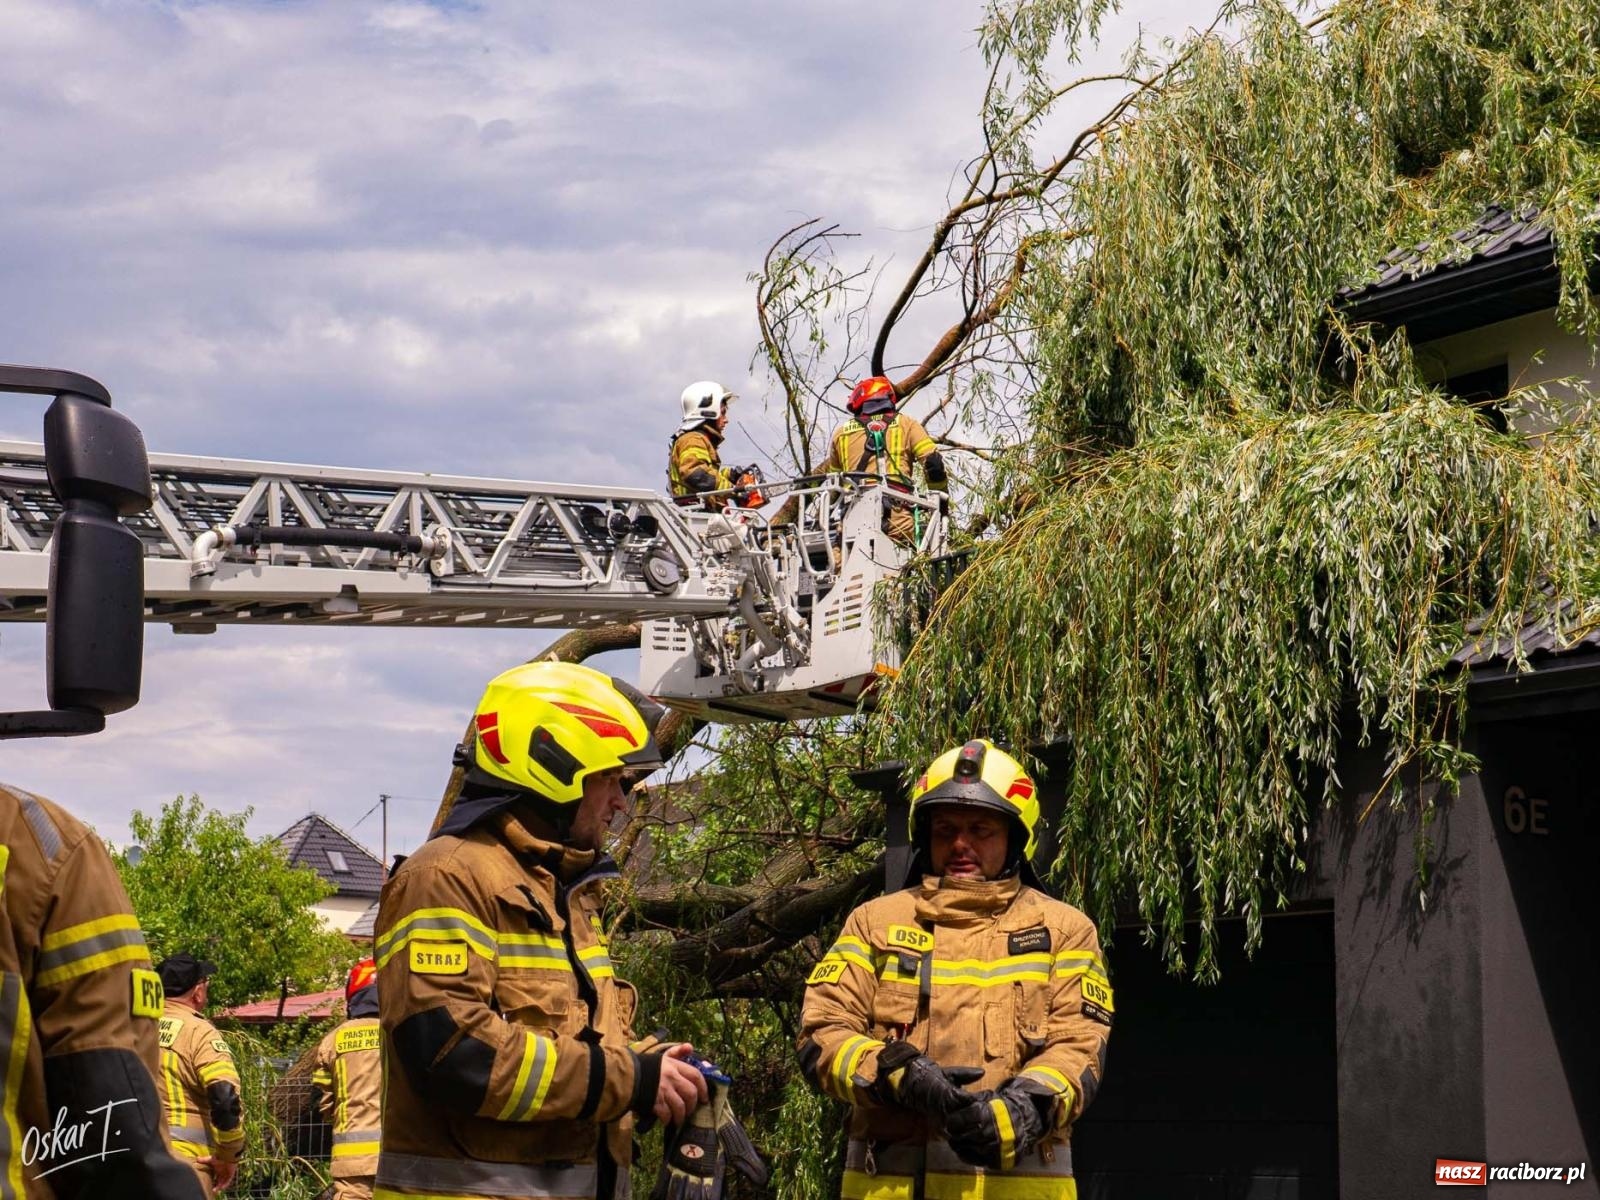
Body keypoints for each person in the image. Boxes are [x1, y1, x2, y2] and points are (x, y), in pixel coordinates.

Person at [373, 661, 708, 1200]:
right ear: (553, 768)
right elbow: (454, 1054)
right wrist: (629, 1079)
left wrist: (653, 1068)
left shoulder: (565, 892)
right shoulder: (445, 877)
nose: (621, 802)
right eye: (609, 779)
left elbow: (570, 1042)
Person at [797, 739, 1113, 1199]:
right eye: (945, 829)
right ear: (925, 836)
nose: (961, 844)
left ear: (1015, 838)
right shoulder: (874, 923)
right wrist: (897, 1075)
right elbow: (821, 1034)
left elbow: (1080, 1046)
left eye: (981, 829)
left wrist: (1025, 1108)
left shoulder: (1065, 930)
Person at [0, 783, 207, 1199]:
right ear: (198, 991)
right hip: (188, 1160)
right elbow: (114, 1131)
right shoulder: (40, 845)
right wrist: (231, 1151)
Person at [157, 953, 245, 1197]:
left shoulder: (136, 1028)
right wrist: (228, 1154)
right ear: (197, 992)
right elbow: (224, 1097)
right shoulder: (199, 1033)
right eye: (206, 983)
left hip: (133, 1162)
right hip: (185, 1167)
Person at [821, 376, 948, 544]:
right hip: (897, 515)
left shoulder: (841, 434)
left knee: (843, 557)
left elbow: (835, 485)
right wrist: (941, 508)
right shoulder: (906, 424)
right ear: (888, 398)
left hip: (853, 516)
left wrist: (822, 520)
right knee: (900, 556)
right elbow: (934, 465)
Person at [310, 958, 382, 1200]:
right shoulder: (401, 1033)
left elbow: (323, 1102)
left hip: (351, 1161)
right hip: (400, 1156)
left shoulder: (332, 1041)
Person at [668, 380, 744, 504]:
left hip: (698, 511)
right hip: (694, 512)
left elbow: (706, 475)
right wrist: (732, 489)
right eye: (723, 413)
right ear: (709, 412)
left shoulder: (697, 439)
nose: (726, 420)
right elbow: (696, 474)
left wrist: (730, 475)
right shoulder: (693, 439)